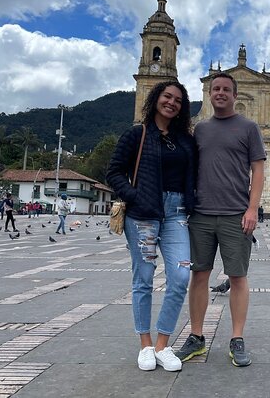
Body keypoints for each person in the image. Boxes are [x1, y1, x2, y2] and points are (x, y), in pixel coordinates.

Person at [106, 80, 197, 372]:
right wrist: (135, 196)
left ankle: (162, 344)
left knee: (181, 276)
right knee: (143, 278)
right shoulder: (137, 134)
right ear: (156, 98)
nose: (171, 102)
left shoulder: (186, 140)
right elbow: (114, 172)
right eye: (167, 97)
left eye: (178, 100)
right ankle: (145, 343)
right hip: (143, 214)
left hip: (176, 213)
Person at [176, 72, 266, 368]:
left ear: (234, 95)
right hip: (200, 214)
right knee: (199, 275)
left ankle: (237, 338)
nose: (221, 93)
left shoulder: (249, 128)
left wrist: (252, 209)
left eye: (226, 89)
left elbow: (259, 171)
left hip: (235, 215)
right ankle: (197, 336)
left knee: (237, 277)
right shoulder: (199, 129)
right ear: (209, 93)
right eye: (215, 88)